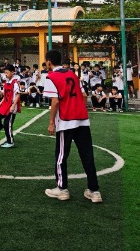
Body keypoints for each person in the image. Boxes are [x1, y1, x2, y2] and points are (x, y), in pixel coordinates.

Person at [43, 49, 101, 203]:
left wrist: (51, 123)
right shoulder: (73, 75)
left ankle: (62, 189)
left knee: (61, 156)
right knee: (87, 155)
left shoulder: (51, 77)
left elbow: (55, 101)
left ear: (48, 62)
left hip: (66, 120)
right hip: (82, 119)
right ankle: (94, 191)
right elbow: (83, 95)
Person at [0, 64, 20, 148]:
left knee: (7, 124)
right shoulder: (6, 82)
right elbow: (6, 94)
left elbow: (18, 95)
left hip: (12, 105)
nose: (6, 74)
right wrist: (1, 102)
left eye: (7, 72)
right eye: (5, 72)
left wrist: (13, 106)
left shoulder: (15, 82)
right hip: (5, 104)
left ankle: (10, 142)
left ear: (12, 72)